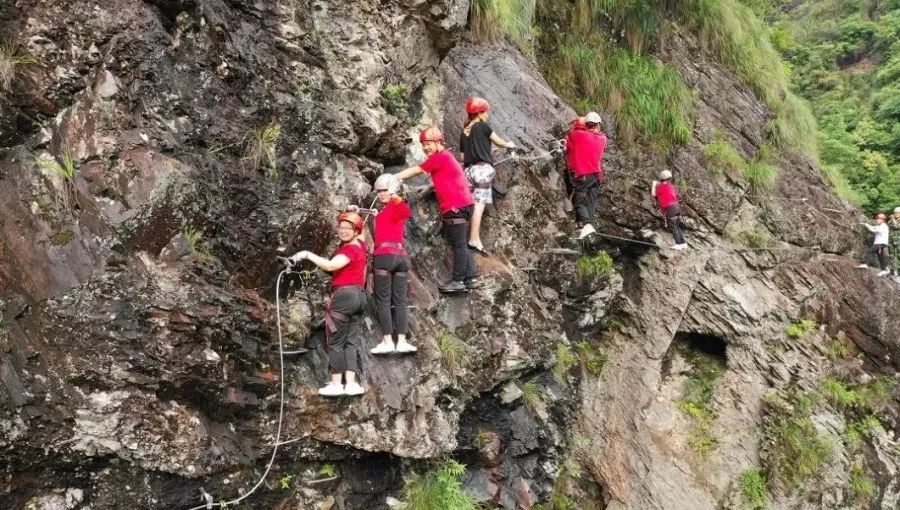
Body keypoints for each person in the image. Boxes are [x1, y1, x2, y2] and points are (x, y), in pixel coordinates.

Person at [289, 212, 368, 397]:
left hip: (343, 298)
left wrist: (306, 254)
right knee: (350, 342)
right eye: (341, 227)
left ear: (355, 231)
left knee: (335, 341)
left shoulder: (350, 250)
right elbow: (364, 232)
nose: (344, 231)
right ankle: (351, 384)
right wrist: (353, 212)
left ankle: (336, 384)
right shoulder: (361, 245)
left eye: (349, 228)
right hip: (359, 297)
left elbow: (331, 265)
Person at [395, 126, 478, 294]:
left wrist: (393, 177)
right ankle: (470, 278)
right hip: (464, 204)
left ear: (438, 142)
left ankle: (458, 280)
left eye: (429, 144)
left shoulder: (438, 158)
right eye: (423, 144)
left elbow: (417, 170)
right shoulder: (446, 157)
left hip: (455, 206)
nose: (426, 148)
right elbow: (446, 177)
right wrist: (429, 187)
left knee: (458, 245)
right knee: (461, 243)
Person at [365, 173, 417, 354]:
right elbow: (395, 216)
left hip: (385, 257)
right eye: (379, 191)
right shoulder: (387, 210)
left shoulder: (395, 205)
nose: (381, 194)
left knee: (384, 301)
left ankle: (388, 341)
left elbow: (405, 211)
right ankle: (401, 341)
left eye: (385, 190)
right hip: (401, 258)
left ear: (393, 190)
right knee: (400, 300)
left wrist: (394, 195)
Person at [459, 97, 516, 255]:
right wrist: (509, 145)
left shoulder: (464, 132)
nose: (487, 115)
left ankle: (466, 238)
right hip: (482, 170)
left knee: (470, 204)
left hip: (468, 171)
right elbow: (498, 141)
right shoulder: (482, 126)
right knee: (479, 205)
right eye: (485, 112)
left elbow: (463, 157)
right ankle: (474, 239)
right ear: (479, 113)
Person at [565, 111, 607, 239]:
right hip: (597, 176)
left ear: (586, 124)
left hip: (584, 175)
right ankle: (587, 226)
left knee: (579, 201)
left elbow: (572, 132)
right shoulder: (603, 139)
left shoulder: (577, 135)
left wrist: (578, 120)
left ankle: (587, 225)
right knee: (590, 202)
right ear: (598, 124)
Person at [651, 169, 687, 250]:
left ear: (662, 178)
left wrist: (653, 185)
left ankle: (678, 244)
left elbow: (653, 194)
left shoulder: (661, 187)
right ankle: (683, 243)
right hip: (677, 207)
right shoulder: (671, 186)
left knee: (673, 227)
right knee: (677, 226)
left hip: (670, 209)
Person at [857, 212, 891, 277]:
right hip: (881, 244)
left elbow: (873, 230)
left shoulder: (883, 226)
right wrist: (865, 224)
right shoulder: (880, 226)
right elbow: (874, 227)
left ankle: (865, 263)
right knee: (881, 257)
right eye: (877, 218)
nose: (877, 220)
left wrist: (867, 226)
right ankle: (885, 269)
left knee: (869, 251)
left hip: (880, 243)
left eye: (878, 219)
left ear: (882, 220)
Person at [889, 207, 900, 276]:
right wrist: (892, 220)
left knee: (899, 255)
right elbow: (890, 225)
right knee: (891, 255)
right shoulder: (890, 221)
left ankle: (898, 271)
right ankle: (892, 270)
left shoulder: (892, 220)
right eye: (895, 213)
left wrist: (893, 219)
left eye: (898, 213)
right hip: (891, 240)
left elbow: (896, 227)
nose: (896, 214)